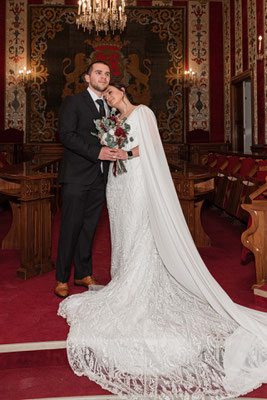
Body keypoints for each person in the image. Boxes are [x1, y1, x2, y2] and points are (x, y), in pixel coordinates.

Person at [58, 83, 267, 399]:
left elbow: (149, 149)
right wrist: (111, 148)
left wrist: (123, 152)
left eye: (112, 93)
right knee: (122, 235)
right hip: (118, 183)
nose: (110, 98)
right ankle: (123, 278)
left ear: (124, 91)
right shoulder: (113, 123)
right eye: (107, 96)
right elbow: (110, 149)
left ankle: (137, 283)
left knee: (139, 231)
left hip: (137, 181)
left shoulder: (143, 113)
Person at [55, 62, 119, 298]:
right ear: (87, 77)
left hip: (100, 177)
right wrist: (97, 153)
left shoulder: (110, 108)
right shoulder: (74, 101)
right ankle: (61, 277)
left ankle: (83, 273)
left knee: (89, 228)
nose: (104, 76)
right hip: (76, 177)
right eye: (98, 72)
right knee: (70, 227)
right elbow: (67, 135)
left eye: (107, 73)